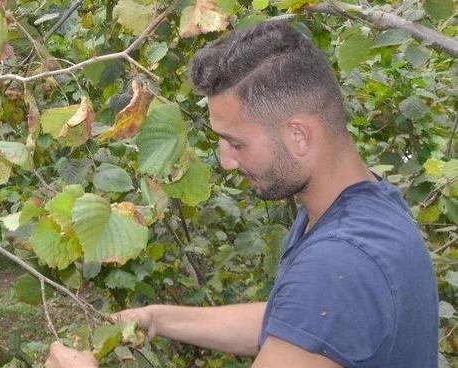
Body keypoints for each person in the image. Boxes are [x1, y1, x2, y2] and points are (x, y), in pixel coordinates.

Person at [45, 21, 439, 368]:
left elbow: (318, 305)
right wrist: (158, 318)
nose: (227, 161)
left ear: (298, 134)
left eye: (236, 143)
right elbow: (299, 322)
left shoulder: (340, 263)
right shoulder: (364, 207)